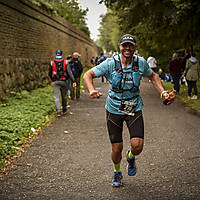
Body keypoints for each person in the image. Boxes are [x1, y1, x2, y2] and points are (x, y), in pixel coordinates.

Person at [83, 34, 175, 187]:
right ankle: (117, 171)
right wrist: (91, 90)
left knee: (137, 145)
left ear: (135, 47)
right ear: (120, 46)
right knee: (116, 147)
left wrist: (163, 93)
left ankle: (131, 156)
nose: (127, 48)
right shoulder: (110, 63)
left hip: (134, 106)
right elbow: (88, 75)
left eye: (130, 46)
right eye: (124, 45)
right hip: (114, 108)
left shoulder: (141, 63)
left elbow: (153, 76)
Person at [49, 50, 76, 116]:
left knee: (56, 97)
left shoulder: (52, 63)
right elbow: (69, 73)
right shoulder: (65, 62)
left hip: (55, 82)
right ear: (61, 54)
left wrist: (53, 79)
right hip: (63, 81)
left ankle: (58, 111)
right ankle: (64, 109)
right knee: (64, 96)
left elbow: (49, 73)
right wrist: (73, 81)